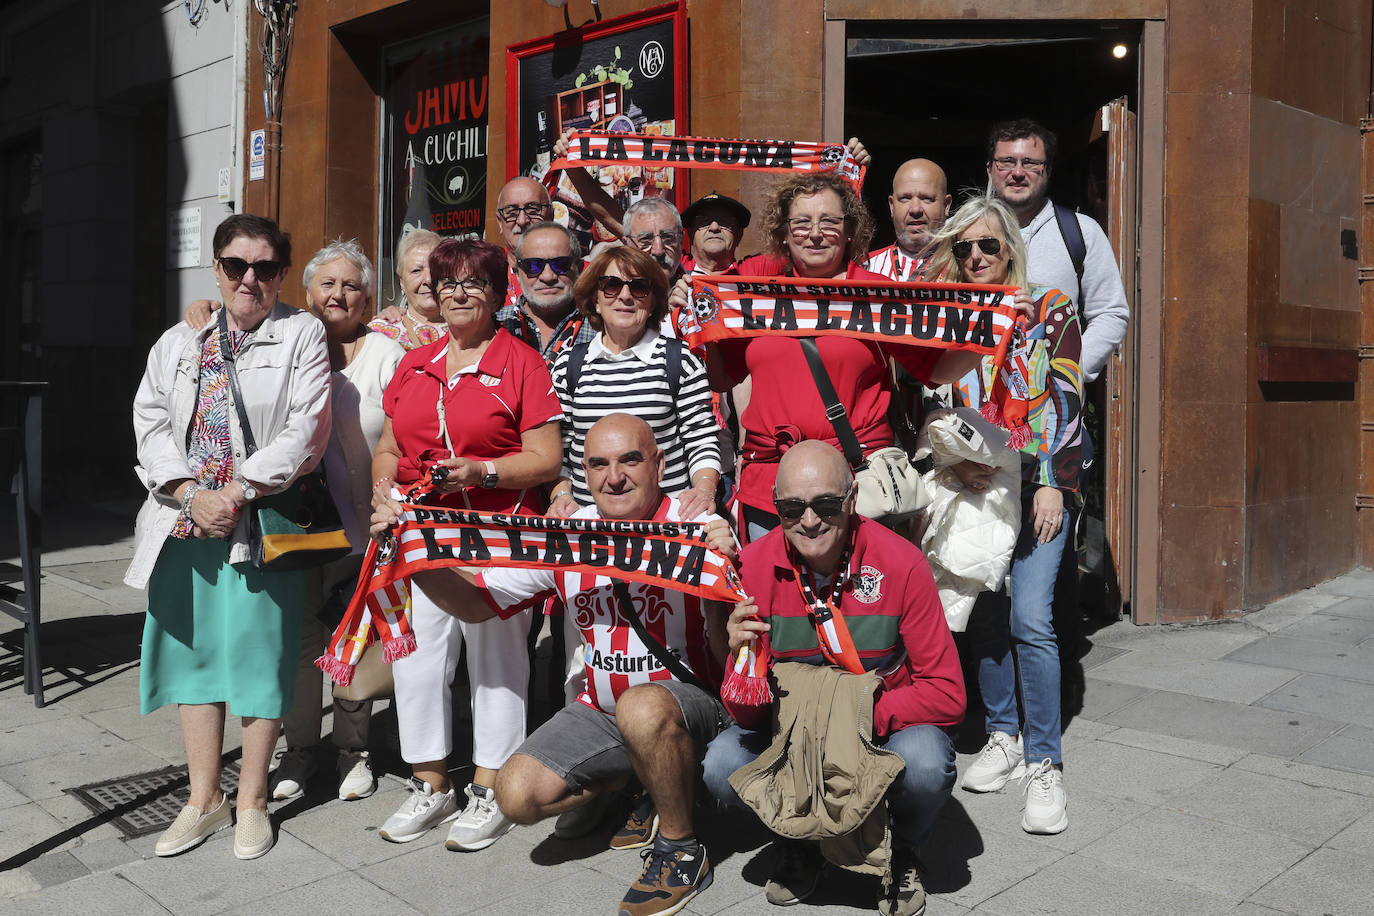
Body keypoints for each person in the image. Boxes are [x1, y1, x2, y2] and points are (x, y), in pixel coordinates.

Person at [379, 413, 734, 916]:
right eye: (599, 464)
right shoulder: (570, 532)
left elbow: (741, 641)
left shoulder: (696, 523)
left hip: (689, 704)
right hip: (603, 710)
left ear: (658, 464)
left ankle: (680, 849)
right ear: (583, 474)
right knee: (515, 796)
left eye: (630, 460)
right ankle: (643, 780)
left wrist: (727, 569)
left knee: (643, 708)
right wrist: (409, 556)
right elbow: (479, 602)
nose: (615, 476)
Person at [128, 214, 331, 861]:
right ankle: (202, 798)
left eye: (265, 267)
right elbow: (151, 422)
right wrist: (191, 493)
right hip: (185, 524)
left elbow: (303, 431)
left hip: (259, 524)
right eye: (237, 265)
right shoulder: (179, 342)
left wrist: (236, 492)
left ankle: (252, 801)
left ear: (281, 274)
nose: (250, 278)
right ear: (216, 268)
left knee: (259, 661)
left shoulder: (301, 335)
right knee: (193, 660)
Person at [702, 440, 964, 915]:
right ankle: (802, 840)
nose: (809, 520)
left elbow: (948, 695)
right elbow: (746, 714)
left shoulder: (901, 563)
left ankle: (901, 849)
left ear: (851, 497)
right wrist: (739, 654)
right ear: (775, 507)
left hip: (879, 729)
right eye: (791, 507)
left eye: (825, 504)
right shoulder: (754, 568)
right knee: (721, 764)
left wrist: (846, 718)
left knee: (927, 763)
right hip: (791, 731)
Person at [369, 237, 563, 850]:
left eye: (472, 282)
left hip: (498, 535)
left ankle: (490, 785)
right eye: (446, 281)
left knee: (497, 660)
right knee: (419, 657)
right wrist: (382, 494)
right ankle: (430, 783)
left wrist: (482, 471)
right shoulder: (414, 363)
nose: (457, 292)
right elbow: (390, 447)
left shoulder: (521, 363)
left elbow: (547, 457)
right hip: (421, 533)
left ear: (498, 293)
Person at [671, 169, 985, 541]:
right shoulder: (754, 295)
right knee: (774, 598)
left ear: (850, 230)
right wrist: (695, 319)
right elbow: (722, 378)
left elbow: (939, 371)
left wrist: (988, 330)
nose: (815, 233)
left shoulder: (879, 295)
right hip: (771, 490)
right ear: (784, 234)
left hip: (857, 487)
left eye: (829, 221)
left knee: (861, 599)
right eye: (801, 222)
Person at [924, 194, 1083, 835]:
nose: (977, 257)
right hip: (976, 483)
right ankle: (1003, 734)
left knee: (1031, 617)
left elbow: (1067, 398)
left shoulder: (1048, 308)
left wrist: (1051, 484)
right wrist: (948, 464)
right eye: (963, 248)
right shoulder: (948, 313)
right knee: (983, 610)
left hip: (1036, 477)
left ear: (1011, 248)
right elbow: (927, 403)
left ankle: (1046, 765)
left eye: (989, 245)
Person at [267, 240, 404, 804]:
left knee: (353, 640)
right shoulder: (289, 345)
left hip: (363, 528)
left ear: (367, 295)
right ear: (308, 293)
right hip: (300, 528)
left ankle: (353, 750)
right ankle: (299, 748)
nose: (338, 294)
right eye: (327, 284)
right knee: (300, 643)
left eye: (350, 285)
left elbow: (403, 432)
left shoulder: (386, 353)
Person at [549, 244, 720, 522]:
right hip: (592, 522)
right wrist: (561, 495)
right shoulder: (568, 366)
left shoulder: (680, 361)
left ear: (652, 301)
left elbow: (700, 438)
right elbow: (560, 447)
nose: (625, 296)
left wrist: (703, 490)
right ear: (595, 299)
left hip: (667, 523)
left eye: (639, 287)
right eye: (611, 286)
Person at [986, 118, 1128, 383]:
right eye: (1006, 161)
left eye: (1030, 163)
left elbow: (1111, 312)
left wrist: (1069, 373)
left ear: (1048, 170)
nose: (1017, 172)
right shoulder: (958, 234)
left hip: (1050, 412)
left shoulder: (1082, 232)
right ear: (990, 169)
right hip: (974, 403)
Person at [496, 220, 597, 365]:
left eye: (561, 264)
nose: (548, 276)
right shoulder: (495, 325)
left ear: (580, 269)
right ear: (518, 273)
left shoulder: (602, 327)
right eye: (533, 266)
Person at [866, 158, 952, 282]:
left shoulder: (967, 268)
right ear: (892, 206)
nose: (915, 209)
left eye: (927, 198)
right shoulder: (865, 267)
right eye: (905, 198)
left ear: (946, 205)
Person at [369, 228, 448, 350]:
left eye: (435, 269)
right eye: (416, 271)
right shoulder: (380, 332)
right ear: (402, 282)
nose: (428, 279)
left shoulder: (464, 329)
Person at [495, 176, 555, 307]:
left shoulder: (579, 273)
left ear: (551, 216)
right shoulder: (488, 273)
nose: (522, 221)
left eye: (533, 211)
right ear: (500, 222)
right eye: (511, 212)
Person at [680, 191, 750, 275]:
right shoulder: (675, 268)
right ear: (690, 234)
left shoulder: (753, 271)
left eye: (725, 221)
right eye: (704, 221)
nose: (714, 227)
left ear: (739, 235)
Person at [623, 196, 687, 285]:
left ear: (681, 241)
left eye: (667, 237)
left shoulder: (701, 293)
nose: (658, 251)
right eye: (645, 239)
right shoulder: (613, 295)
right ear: (627, 245)